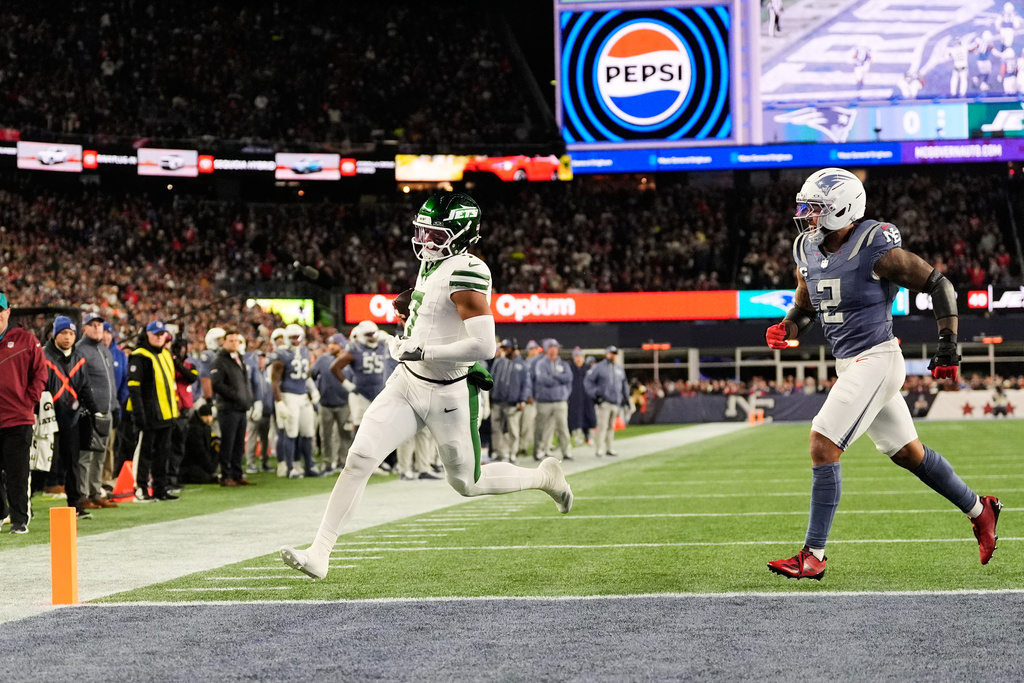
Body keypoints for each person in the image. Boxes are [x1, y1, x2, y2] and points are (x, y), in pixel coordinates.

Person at [280, 192, 572, 580]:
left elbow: (484, 345)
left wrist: (421, 347)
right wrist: (413, 306)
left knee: (467, 482)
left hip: (449, 392)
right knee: (359, 459)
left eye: (435, 234)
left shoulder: (469, 269)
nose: (424, 241)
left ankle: (545, 477)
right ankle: (320, 552)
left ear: (462, 235)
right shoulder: (434, 263)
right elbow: (436, 307)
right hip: (406, 383)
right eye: (422, 231)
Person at [764, 167, 1002, 580]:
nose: (807, 215)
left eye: (816, 208)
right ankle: (981, 511)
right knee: (909, 454)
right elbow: (806, 305)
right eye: (806, 208)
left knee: (823, 442)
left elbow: (939, 284)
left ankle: (813, 554)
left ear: (843, 208)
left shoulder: (874, 244)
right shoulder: (806, 248)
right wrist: (788, 326)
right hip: (851, 362)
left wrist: (949, 344)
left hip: (875, 357)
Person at [44, 315, 101, 517]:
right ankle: (25, 507)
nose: (67, 337)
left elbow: (85, 387)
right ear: (54, 334)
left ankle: (76, 505)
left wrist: (95, 411)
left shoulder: (79, 357)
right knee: (39, 463)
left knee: (73, 462)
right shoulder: (44, 356)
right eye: (63, 333)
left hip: (72, 418)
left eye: (70, 333)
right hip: (47, 418)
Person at [0, 291, 48, 534]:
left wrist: (28, 401)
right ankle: (1, 513)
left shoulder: (26, 340)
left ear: (8, 312)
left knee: (17, 473)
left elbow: (40, 373)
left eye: (0, 310)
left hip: (17, 419)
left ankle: (19, 520)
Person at [126, 321, 180, 501]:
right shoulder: (139, 356)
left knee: (163, 454)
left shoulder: (166, 353)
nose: (159, 337)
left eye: (162, 334)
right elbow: (134, 388)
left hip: (166, 414)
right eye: (155, 334)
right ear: (147, 334)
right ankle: (140, 488)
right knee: (144, 454)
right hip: (148, 415)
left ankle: (160, 488)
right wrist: (139, 414)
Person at [76, 312, 118, 509]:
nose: (96, 328)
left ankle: (95, 491)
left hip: (106, 409)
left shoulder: (104, 349)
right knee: (86, 455)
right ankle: (83, 494)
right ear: (83, 328)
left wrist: (114, 406)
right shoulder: (80, 350)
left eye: (99, 324)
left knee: (100, 453)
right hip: (89, 411)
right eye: (92, 325)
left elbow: (110, 381)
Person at [270, 323, 317, 478]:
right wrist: (279, 401)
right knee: (290, 432)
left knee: (308, 432)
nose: (295, 340)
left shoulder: (304, 351)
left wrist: (313, 389)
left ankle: (309, 466)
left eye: (297, 337)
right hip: (289, 395)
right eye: (292, 338)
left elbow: (306, 375)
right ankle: (290, 468)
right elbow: (275, 380)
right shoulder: (281, 354)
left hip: (303, 395)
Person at [210, 328, 255, 486]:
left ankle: (237, 474)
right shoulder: (219, 361)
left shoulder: (239, 359)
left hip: (240, 407)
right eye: (231, 340)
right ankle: (226, 475)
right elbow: (216, 384)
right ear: (224, 342)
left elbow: (244, 383)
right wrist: (235, 396)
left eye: (237, 340)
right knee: (228, 443)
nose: (234, 343)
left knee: (238, 444)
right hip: (228, 408)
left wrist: (247, 399)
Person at [330, 320, 386, 440]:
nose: (372, 337)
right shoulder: (354, 349)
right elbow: (335, 367)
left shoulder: (383, 346)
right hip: (360, 393)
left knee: (380, 428)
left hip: (380, 392)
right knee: (361, 428)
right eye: (368, 335)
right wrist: (347, 385)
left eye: (373, 334)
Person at [311, 333, 351, 474]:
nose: (330, 346)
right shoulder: (322, 359)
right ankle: (328, 463)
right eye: (330, 343)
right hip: (325, 403)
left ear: (341, 345)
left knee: (345, 435)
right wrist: (317, 390)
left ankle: (343, 462)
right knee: (325, 435)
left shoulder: (347, 358)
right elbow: (312, 375)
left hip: (344, 403)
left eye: (334, 344)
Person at [489, 339, 531, 463]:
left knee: (513, 430)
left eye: (507, 348)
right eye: (503, 348)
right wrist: (491, 396)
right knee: (496, 428)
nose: (504, 350)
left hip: (513, 403)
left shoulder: (522, 364)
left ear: (513, 348)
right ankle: (499, 452)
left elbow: (526, 384)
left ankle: (512, 453)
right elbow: (491, 379)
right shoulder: (499, 362)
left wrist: (522, 400)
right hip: (497, 401)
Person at [585, 346, 630, 458]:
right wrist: (595, 394)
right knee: (602, 426)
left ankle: (609, 448)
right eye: (611, 353)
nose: (613, 355)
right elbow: (588, 381)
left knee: (611, 426)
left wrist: (627, 399)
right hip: (604, 402)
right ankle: (599, 448)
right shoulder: (599, 367)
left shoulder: (619, 369)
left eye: (615, 353)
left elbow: (624, 385)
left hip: (616, 402)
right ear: (606, 354)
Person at [533, 338, 573, 461]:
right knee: (541, 428)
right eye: (551, 347)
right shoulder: (541, 363)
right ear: (546, 349)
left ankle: (566, 451)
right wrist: (559, 379)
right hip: (544, 402)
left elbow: (569, 377)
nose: (554, 350)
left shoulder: (563, 363)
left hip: (560, 401)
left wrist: (554, 376)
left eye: (555, 347)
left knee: (563, 428)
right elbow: (543, 380)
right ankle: (539, 451)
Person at [101, 321, 129, 489]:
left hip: (113, 408)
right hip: (95, 407)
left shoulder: (119, 355)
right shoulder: (91, 352)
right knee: (95, 447)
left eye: (108, 332)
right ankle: (93, 482)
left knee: (110, 446)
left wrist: (119, 402)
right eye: (103, 332)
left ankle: (106, 479)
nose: (105, 336)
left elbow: (125, 381)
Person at [516, 339, 542, 460]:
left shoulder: (541, 362)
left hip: (537, 399)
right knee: (524, 425)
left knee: (532, 425)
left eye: (534, 349)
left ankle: (528, 446)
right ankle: (522, 446)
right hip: (526, 398)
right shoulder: (525, 362)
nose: (532, 351)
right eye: (530, 349)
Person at [180, 404, 218, 484]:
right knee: (203, 477)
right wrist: (209, 467)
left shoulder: (205, 426)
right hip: (190, 464)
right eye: (206, 416)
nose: (209, 418)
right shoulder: (195, 429)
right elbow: (199, 451)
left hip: (199, 463)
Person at [568, 347, 596, 448]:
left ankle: (588, 437)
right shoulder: (569, 368)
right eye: (577, 356)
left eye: (580, 356)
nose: (579, 358)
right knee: (572, 419)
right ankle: (570, 438)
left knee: (587, 418)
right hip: (573, 397)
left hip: (586, 397)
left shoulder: (588, 368)